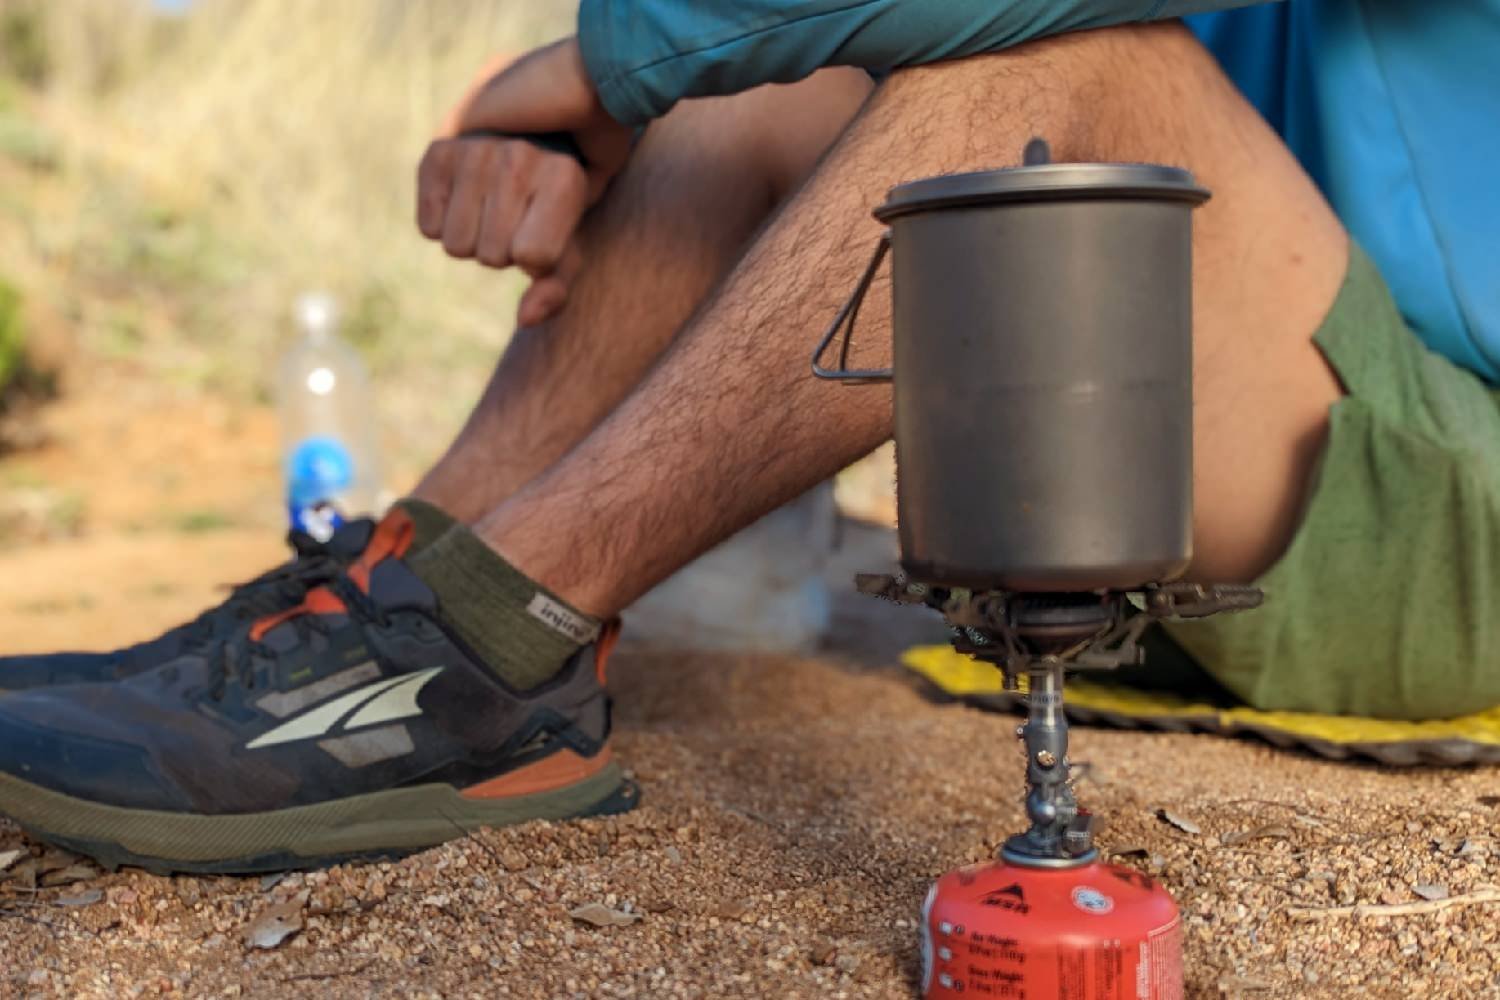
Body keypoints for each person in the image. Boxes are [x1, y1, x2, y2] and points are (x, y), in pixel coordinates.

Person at [0, 0, 1494, 873]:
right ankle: (396, 598)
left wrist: (617, 59)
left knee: (1068, 92)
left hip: (1455, 507)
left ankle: (479, 654)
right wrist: (637, 100)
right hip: (1269, 401)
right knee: (805, 71)